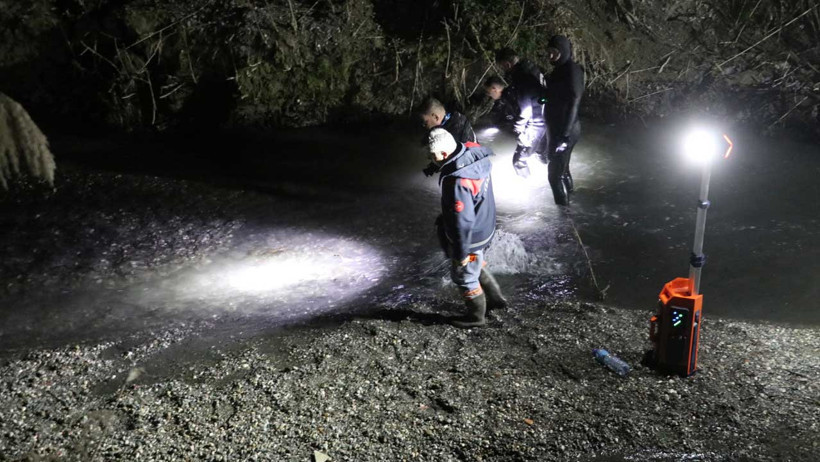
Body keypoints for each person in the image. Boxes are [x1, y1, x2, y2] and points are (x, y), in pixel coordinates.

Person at [427, 128, 507, 328]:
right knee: (476, 263)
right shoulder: (472, 153)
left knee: (464, 274)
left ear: (444, 154)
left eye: (433, 156)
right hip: (486, 223)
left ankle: (476, 317)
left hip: (471, 236)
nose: (432, 159)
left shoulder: (458, 182)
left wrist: (462, 253)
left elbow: (463, 221)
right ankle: (497, 301)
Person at [544, 35, 585, 206]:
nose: (550, 57)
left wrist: (565, 135)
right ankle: (571, 200)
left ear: (564, 52)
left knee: (554, 175)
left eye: (554, 53)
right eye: (549, 53)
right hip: (559, 128)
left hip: (565, 129)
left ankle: (564, 218)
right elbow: (555, 96)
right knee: (563, 168)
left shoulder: (572, 70)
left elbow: (574, 100)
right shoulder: (559, 70)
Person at [495, 47, 548, 178]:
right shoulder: (531, 67)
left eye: (502, 66)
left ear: (507, 64)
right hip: (546, 116)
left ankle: (531, 190)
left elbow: (526, 108)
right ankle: (548, 174)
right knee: (540, 153)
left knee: (519, 160)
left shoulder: (521, 76)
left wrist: (518, 127)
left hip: (536, 122)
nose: (503, 69)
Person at [419, 97, 476, 177]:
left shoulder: (455, 133)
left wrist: (433, 167)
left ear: (436, 117)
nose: (424, 126)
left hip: (470, 170)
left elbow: (451, 159)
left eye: (425, 122)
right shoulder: (454, 116)